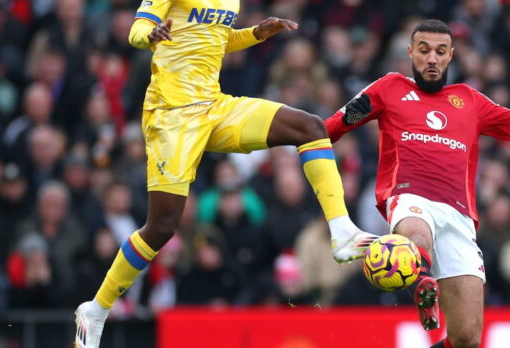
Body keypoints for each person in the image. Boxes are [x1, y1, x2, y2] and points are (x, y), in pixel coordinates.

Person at [73, 2, 377, 347]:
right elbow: (135, 32)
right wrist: (152, 34)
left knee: (310, 127)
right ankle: (95, 310)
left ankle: (342, 231)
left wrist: (255, 35)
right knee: (161, 228)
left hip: (214, 106)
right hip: (171, 116)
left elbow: (215, 39)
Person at [325, 19, 510, 348]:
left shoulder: (470, 100)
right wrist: (346, 118)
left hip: (458, 215)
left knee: (467, 338)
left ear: (451, 55)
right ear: (411, 52)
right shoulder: (389, 87)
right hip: (408, 195)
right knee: (417, 232)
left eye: (440, 51)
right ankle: (423, 282)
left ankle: (426, 284)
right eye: (423, 50)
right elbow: (328, 132)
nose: (432, 59)